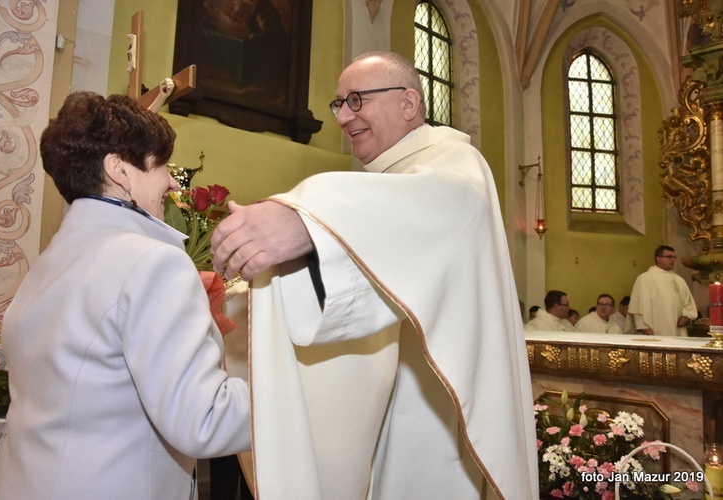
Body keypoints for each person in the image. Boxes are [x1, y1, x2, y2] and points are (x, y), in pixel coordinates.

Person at [211, 51, 537, 499]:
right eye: (339, 104)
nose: (344, 117)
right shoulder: (386, 178)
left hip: (432, 417)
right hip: (381, 409)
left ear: (409, 103)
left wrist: (307, 221)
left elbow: (443, 204)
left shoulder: (456, 163)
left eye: (357, 100)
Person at [0, 92, 250, 500]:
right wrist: (294, 389)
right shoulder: (154, 262)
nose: (168, 180)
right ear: (119, 169)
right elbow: (203, 421)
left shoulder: (47, 262)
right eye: (160, 163)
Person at [628, 245, 698, 336]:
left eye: (674, 257)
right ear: (658, 259)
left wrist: (686, 316)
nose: (672, 260)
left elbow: (688, 303)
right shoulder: (645, 278)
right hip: (655, 329)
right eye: (669, 257)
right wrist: (644, 327)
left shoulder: (679, 280)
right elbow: (638, 306)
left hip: (678, 330)